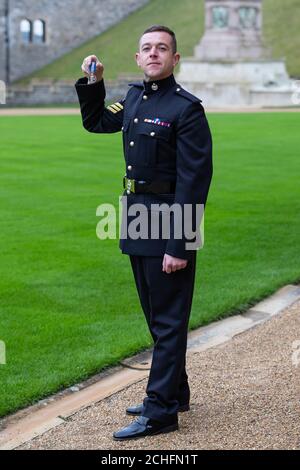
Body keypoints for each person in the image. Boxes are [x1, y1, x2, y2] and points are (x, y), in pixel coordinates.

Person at [75, 25, 213, 440]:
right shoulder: (134, 98)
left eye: (162, 48)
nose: (154, 54)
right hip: (137, 217)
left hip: (169, 223)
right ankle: (175, 392)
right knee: (158, 318)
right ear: (137, 59)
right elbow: (97, 122)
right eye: (147, 48)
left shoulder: (187, 109)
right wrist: (94, 83)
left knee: (169, 321)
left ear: (175, 59)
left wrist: (180, 244)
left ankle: (160, 412)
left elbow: (195, 180)